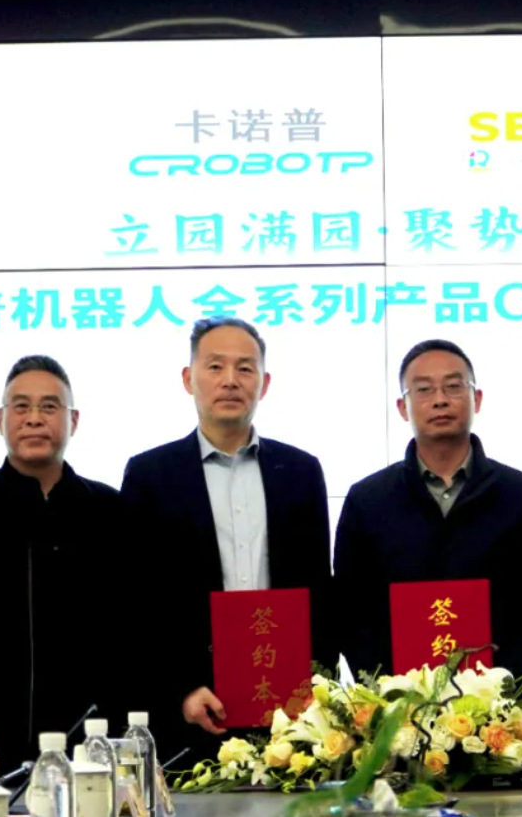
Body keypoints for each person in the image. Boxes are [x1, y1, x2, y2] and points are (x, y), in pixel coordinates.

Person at [120, 318, 333, 758]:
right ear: (188, 378)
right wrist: (180, 689)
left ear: (265, 383)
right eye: (215, 366)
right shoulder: (150, 475)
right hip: (193, 712)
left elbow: (319, 589)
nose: (231, 380)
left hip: (289, 716)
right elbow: (136, 599)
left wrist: (317, 688)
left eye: (245, 368)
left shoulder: (300, 471)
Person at [0, 355, 124, 779]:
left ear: (73, 421)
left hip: (94, 738)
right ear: (0, 419)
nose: (34, 419)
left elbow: (130, 626)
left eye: (49, 407)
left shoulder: (107, 509)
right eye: (21, 407)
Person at [334, 339, 522, 679]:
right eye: (423, 389)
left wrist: (505, 689)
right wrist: (392, 691)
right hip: (396, 700)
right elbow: (352, 610)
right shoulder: (367, 500)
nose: (440, 400)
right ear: (403, 407)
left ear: (476, 399)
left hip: (502, 701)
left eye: (453, 386)